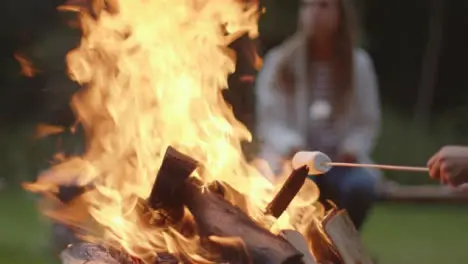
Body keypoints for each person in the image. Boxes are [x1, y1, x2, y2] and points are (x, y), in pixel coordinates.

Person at [255, 0, 381, 230]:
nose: (313, 13)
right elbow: (270, 120)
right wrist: (292, 146)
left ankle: (342, 248)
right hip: (294, 163)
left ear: (339, 14)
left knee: (361, 187)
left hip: (341, 163)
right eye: (307, 6)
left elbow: (367, 121)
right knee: (298, 190)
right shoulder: (281, 61)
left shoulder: (359, 65)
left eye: (323, 5)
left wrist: (352, 147)